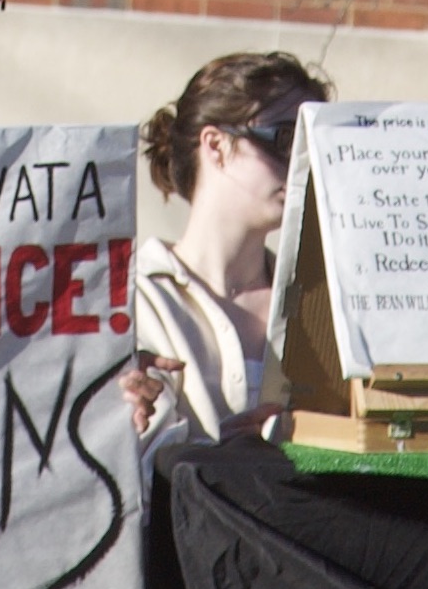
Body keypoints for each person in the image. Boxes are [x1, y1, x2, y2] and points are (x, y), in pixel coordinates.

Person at [125, 50, 318, 447]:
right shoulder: (129, 299)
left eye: (313, 146)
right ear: (215, 145)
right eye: (286, 139)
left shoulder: (320, 304)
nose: (303, 163)